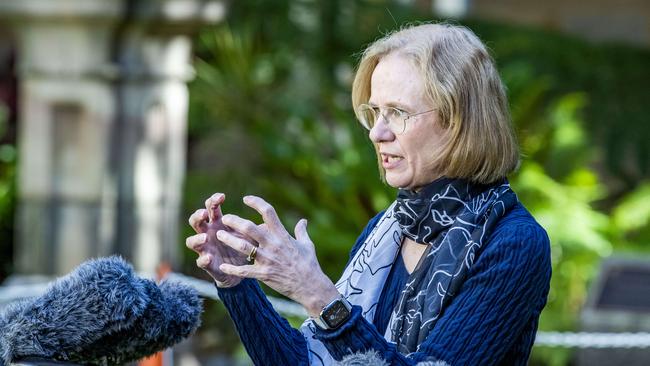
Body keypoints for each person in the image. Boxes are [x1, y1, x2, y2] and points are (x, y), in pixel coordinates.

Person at [186, 23, 551, 366]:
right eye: (375, 112)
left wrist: (317, 293)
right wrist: (235, 282)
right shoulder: (388, 228)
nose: (377, 133)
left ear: (458, 121)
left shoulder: (515, 242)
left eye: (397, 112)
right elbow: (309, 361)